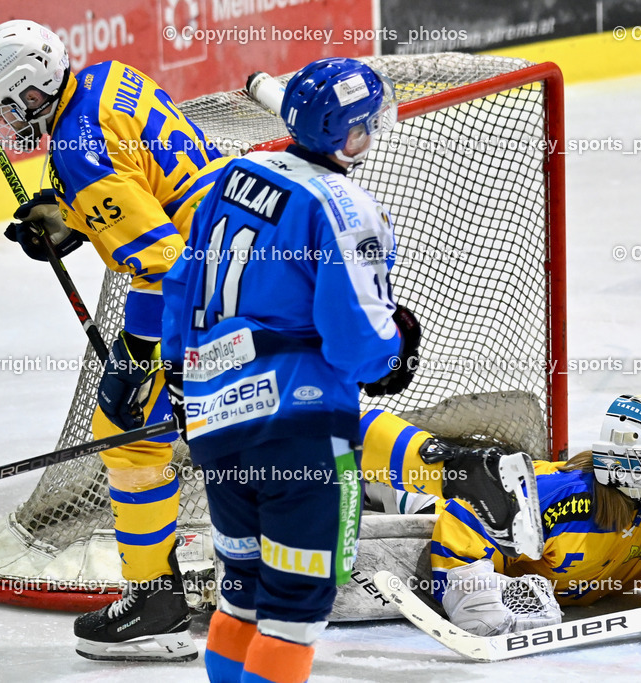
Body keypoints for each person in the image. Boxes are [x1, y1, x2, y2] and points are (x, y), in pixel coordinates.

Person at [161, 56, 540, 683]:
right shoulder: (341, 206)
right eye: (368, 124)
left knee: (244, 589)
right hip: (298, 425)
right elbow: (354, 344)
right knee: (294, 606)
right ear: (350, 136)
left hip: (213, 425)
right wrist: (393, 354)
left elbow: (178, 289)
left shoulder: (226, 178)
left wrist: (184, 381)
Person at [0, 20, 232, 661]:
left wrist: (147, 358)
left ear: (32, 92)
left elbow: (162, 264)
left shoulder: (74, 153)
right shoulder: (110, 76)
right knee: (292, 403)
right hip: (238, 246)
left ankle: (156, 603)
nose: (2, 121)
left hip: (202, 283)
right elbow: (143, 176)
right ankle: (436, 469)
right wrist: (74, 213)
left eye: (5, 106)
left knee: (127, 424)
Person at [428, 394, 641, 637]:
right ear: (626, 464)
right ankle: (390, 491)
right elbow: (466, 510)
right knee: (426, 504)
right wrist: (465, 587)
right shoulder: (556, 499)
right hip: (466, 494)